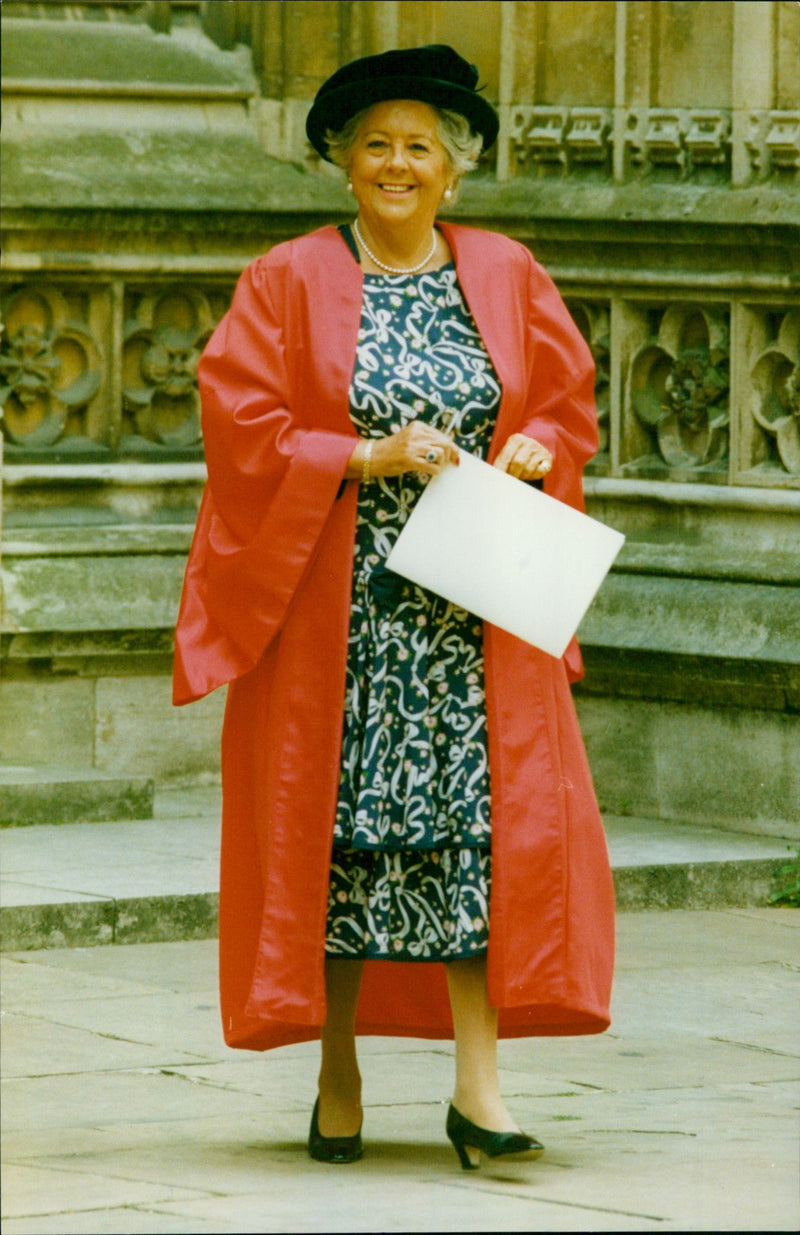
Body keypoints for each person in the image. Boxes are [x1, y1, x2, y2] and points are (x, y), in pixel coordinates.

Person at [173, 44, 615, 1172]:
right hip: (343, 612)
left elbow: (565, 404)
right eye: (375, 143)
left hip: (467, 616)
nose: (397, 162)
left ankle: (480, 1088)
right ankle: (337, 1076)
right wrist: (363, 452)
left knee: (475, 840)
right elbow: (241, 425)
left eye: (421, 145)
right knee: (337, 841)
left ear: (454, 171)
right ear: (341, 161)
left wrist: (536, 443)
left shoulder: (507, 270)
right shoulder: (286, 277)